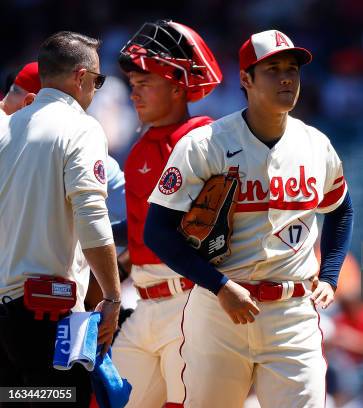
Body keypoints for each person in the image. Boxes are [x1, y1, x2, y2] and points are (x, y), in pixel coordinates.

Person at [145, 29, 354, 408]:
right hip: (219, 310)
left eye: (292, 69)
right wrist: (219, 285)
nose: (287, 78)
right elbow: (157, 232)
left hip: (292, 313)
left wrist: (331, 273)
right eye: (272, 69)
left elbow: (341, 209)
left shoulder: (316, 144)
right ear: (246, 79)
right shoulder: (206, 144)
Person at [0, 31, 121, 407]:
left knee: (19, 400)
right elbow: (93, 218)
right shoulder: (81, 127)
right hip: (48, 312)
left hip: (7, 314)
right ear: (81, 77)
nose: (97, 89)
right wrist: (113, 298)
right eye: (99, 80)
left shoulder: (9, 129)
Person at [111, 20, 222, 408]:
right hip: (145, 303)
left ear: (178, 88)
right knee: (110, 401)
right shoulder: (143, 144)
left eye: (145, 85)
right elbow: (143, 227)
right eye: (132, 86)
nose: (134, 95)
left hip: (190, 302)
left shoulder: (203, 139)